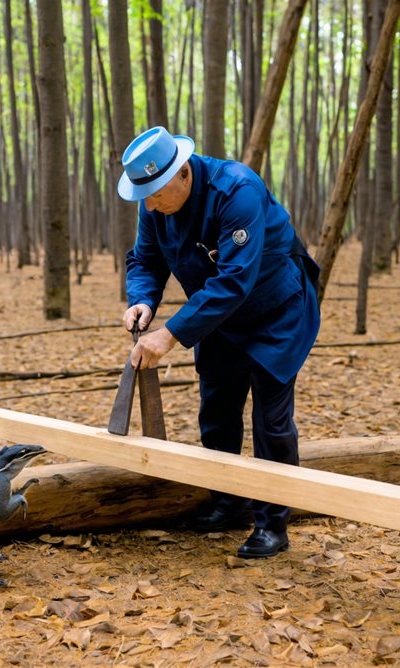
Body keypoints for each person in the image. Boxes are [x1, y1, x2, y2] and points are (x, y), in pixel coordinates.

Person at [117, 126, 321, 559]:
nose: (150, 204)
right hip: (216, 319)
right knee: (218, 411)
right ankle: (228, 504)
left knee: (272, 422)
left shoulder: (238, 190)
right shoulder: (152, 204)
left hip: (275, 312)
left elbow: (234, 280)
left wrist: (170, 334)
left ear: (184, 173)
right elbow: (146, 259)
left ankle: (272, 525)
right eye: (144, 195)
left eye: (155, 193)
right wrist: (142, 301)